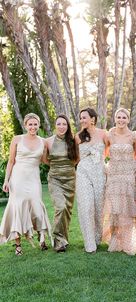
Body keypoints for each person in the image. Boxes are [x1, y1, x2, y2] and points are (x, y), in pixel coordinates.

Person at [0, 113, 51, 256]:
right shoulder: (17, 139)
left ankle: (42, 239)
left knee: (36, 205)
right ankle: (18, 245)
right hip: (18, 178)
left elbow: (46, 161)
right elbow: (11, 161)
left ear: (38, 125)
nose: (33, 127)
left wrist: (62, 163)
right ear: (25, 125)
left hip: (34, 178)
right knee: (18, 207)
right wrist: (6, 180)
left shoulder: (43, 142)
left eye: (35, 124)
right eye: (30, 124)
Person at [103, 108, 136, 255]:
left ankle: (127, 241)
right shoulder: (110, 135)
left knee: (127, 208)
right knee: (114, 209)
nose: (121, 120)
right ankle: (113, 240)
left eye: (124, 117)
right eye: (118, 117)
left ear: (128, 120)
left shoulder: (133, 136)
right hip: (113, 175)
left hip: (127, 175)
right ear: (115, 118)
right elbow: (105, 153)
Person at [75, 108, 108, 253]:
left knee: (98, 208)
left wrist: (99, 159)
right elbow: (76, 157)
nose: (82, 120)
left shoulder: (103, 134)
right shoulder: (78, 136)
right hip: (83, 173)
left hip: (100, 173)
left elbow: (107, 151)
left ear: (93, 119)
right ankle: (90, 244)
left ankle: (96, 238)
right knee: (86, 206)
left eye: (84, 117)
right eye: (81, 118)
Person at [44, 114, 78, 252]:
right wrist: (57, 167)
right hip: (55, 179)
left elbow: (77, 159)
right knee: (61, 207)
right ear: (55, 125)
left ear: (68, 126)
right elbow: (45, 159)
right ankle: (58, 240)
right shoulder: (48, 141)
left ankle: (64, 239)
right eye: (59, 124)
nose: (62, 127)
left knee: (67, 211)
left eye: (64, 124)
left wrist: (67, 168)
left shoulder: (73, 140)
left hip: (70, 178)